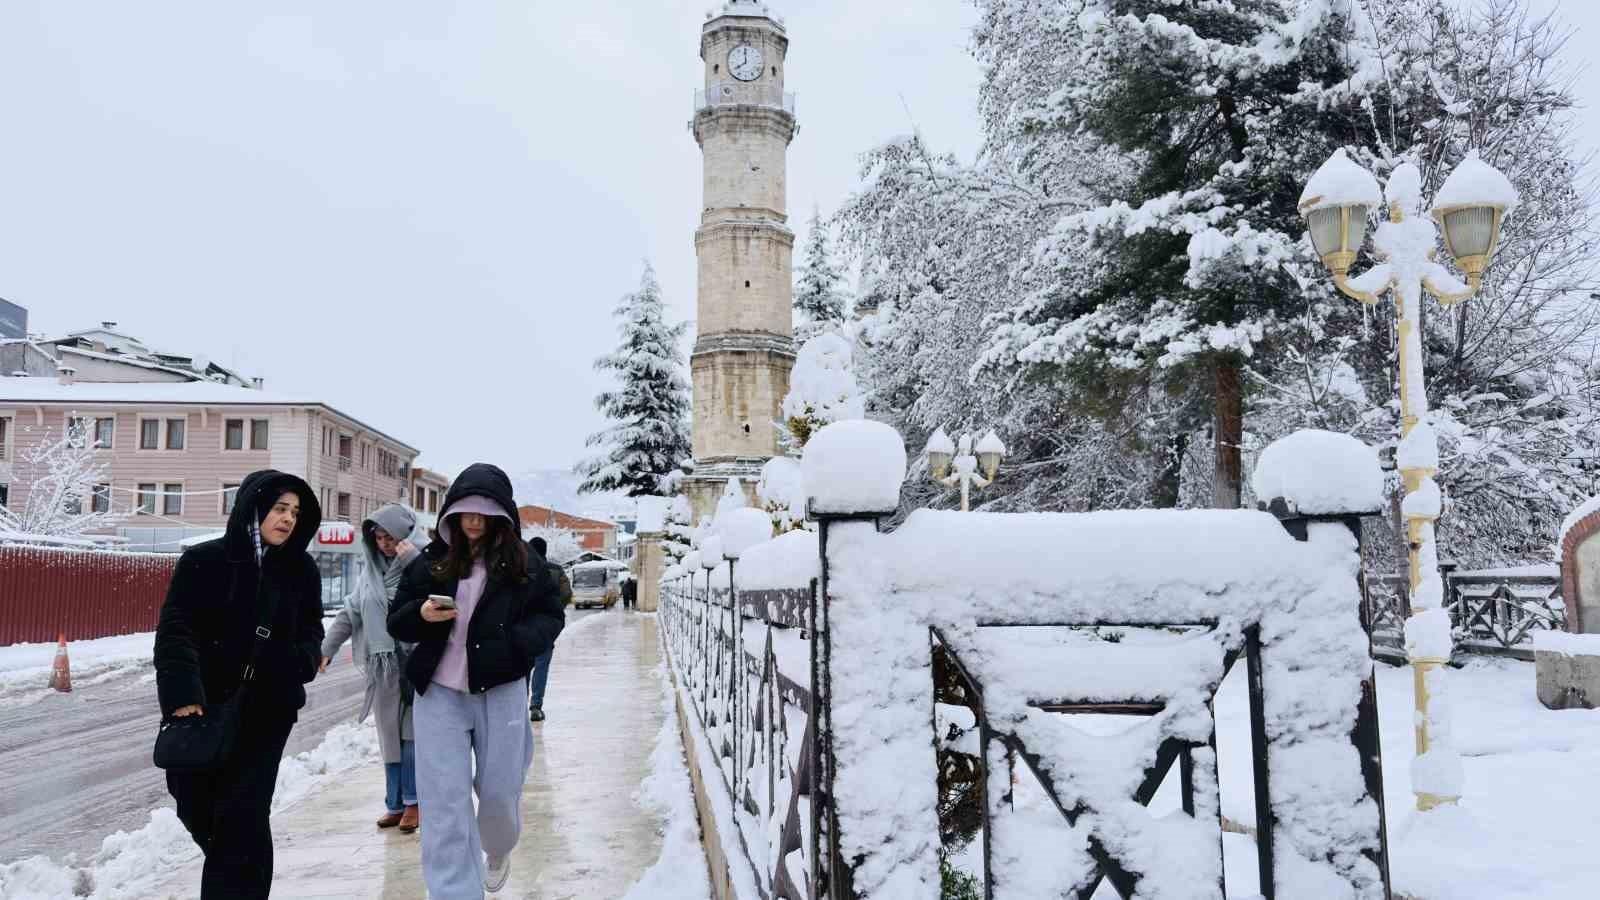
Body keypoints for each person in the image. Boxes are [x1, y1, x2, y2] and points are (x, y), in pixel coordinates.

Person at [388, 464, 564, 897]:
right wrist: (422, 616)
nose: (472, 521)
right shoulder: (432, 563)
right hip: (439, 696)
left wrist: (516, 646)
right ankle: (454, 891)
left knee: (498, 793)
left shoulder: (525, 563)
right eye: (465, 512)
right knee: (444, 803)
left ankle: (499, 848)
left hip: (500, 690)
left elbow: (551, 614)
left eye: (483, 513)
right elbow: (398, 619)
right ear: (452, 514)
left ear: (501, 516)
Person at [154, 470, 324, 899]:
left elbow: (311, 632)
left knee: (242, 814)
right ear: (255, 508)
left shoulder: (300, 570)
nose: (288, 519)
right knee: (194, 801)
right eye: (281, 509)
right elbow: (176, 631)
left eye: (296, 512)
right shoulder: (203, 561)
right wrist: (182, 697)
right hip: (203, 706)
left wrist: (297, 662)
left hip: (268, 710)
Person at [320, 504, 423, 832]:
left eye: (390, 536)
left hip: (417, 665)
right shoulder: (370, 574)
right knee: (389, 738)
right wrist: (327, 649)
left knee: (412, 736)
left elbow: (440, 593)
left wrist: (413, 563)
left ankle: (413, 802)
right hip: (384, 669)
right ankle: (393, 804)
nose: (384, 543)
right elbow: (351, 613)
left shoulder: (422, 564)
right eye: (378, 537)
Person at [525, 536, 571, 723]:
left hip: (523, 626)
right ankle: (536, 706)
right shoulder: (555, 570)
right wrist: (554, 609)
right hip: (545, 628)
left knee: (522, 668)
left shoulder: (520, 568)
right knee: (541, 667)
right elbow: (567, 593)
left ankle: (519, 704)